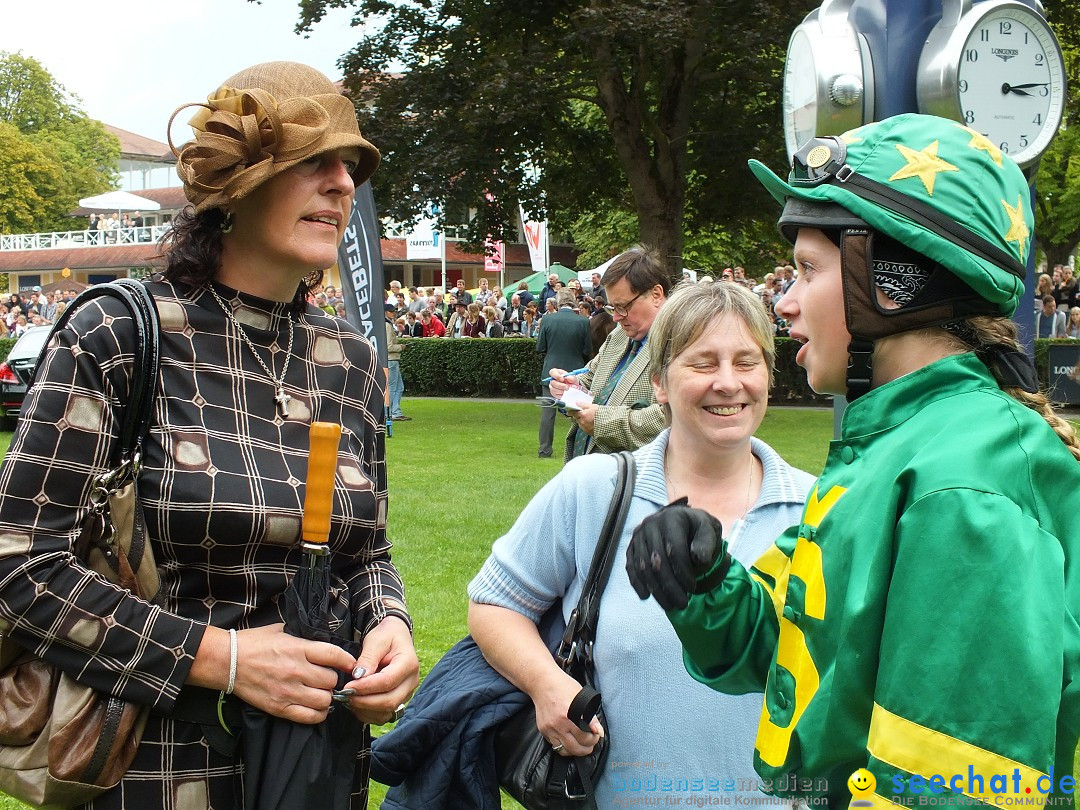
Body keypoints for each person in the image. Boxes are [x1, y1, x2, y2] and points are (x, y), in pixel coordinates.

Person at [627, 113, 1080, 807]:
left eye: (807, 270)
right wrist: (706, 580)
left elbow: (953, 782)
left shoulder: (964, 476)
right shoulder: (895, 444)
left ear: (893, 282)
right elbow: (794, 651)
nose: (783, 302)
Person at [0, 61, 419, 809]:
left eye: (349, 165)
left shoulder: (349, 359)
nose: (342, 183)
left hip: (317, 771)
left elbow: (367, 553)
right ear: (239, 181)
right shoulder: (118, 335)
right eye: (314, 161)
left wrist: (389, 621)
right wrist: (218, 658)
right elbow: (17, 569)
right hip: (154, 774)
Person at [469, 281, 815, 807]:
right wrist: (547, 686)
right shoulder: (594, 489)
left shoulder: (818, 509)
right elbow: (494, 604)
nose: (728, 383)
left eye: (747, 362)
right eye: (702, 363)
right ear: (658, 383)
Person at [548, 245, 670, 462]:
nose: (615, 318)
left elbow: (671, 419)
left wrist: (602, 421)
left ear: (656, 294)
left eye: (623, 307)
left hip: (631, 483)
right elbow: (591, 377)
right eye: (612, 308)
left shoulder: (681, 344)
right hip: (587, 474)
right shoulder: (620, 335)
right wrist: (570, 385)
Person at [535, 288, 591, 459]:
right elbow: (587, 349)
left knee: (547, 415)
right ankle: (580, 450)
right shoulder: (583, 322)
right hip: (576, 373)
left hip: (551, 373)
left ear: (557, 302)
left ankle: (545, 449)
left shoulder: (547, 319)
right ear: (574, 301)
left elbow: (540, 347)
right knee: (579, 412)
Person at [385, 303, 410, 421]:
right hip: (391, 359)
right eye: (391, 311)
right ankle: (391, 412)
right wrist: (401, 346)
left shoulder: (386, 324)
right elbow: (389, 346)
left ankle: (395, 411)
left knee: (398, 386)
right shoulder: (387, 325)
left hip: (392, 359)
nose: (394, 313)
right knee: (394, 386)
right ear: (386, 312)